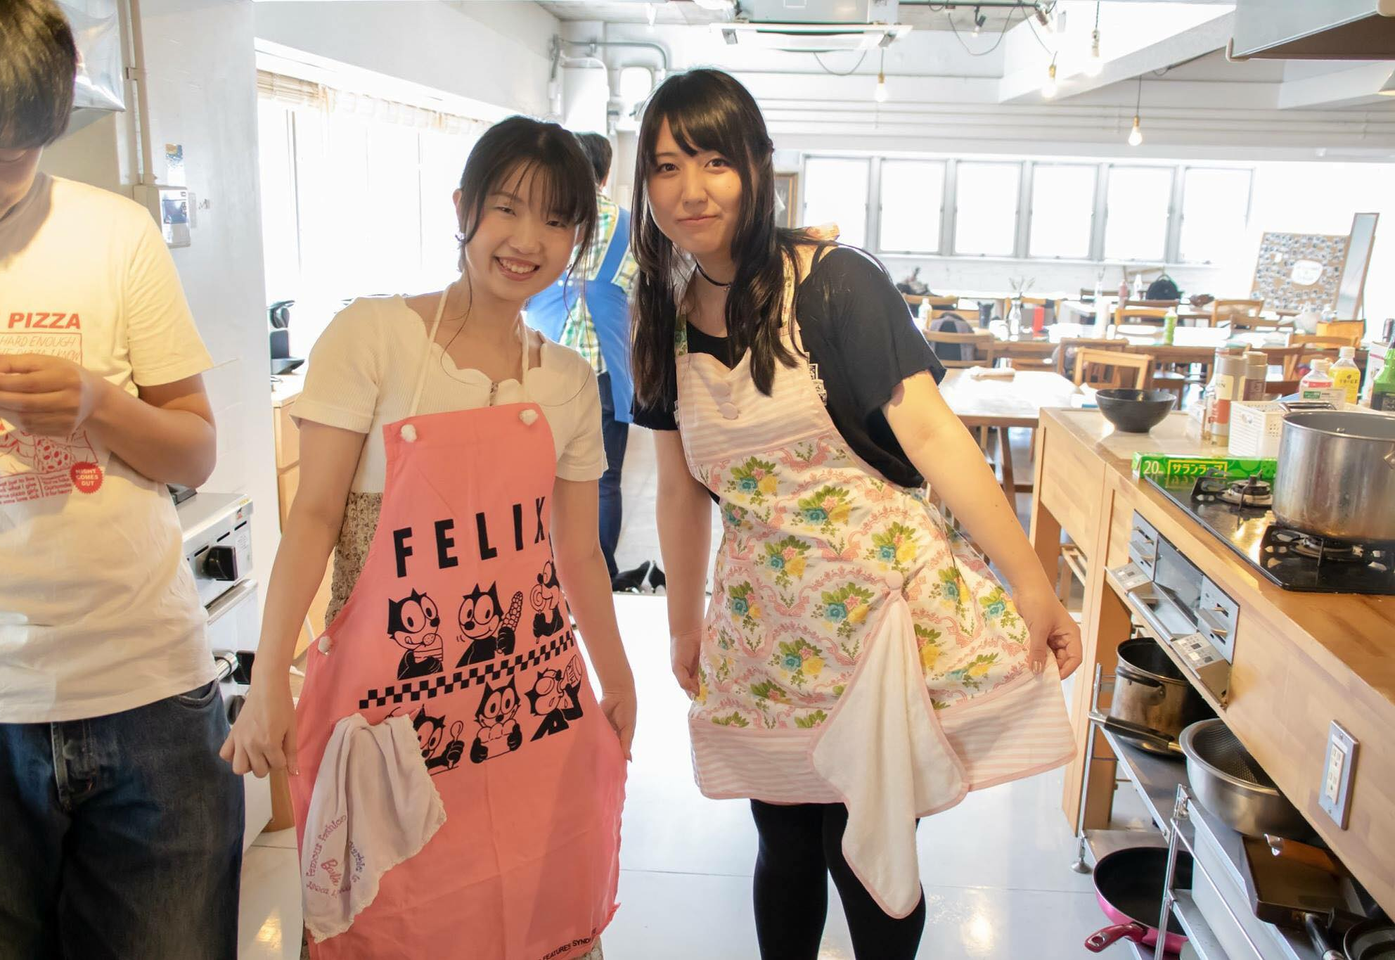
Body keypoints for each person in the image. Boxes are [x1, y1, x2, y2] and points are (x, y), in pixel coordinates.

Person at [629, 69, 1082, 960]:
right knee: (783, 843)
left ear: (758, 166)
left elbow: (936, 437)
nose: (690, 189)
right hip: (764, 624)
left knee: (867, 844)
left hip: (876, 618)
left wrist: (1032, 583)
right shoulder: (664, 317)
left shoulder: (836, 283)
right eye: (666, 166)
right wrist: (685, 623)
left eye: (715, 161)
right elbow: (679, 490)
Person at [222, 116, 633, 960]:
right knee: (398, 922)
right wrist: (268, 682)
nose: (528, 240)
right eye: (507, 208)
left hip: (530, 710)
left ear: (579, 241)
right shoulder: (374, 338)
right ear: (462, 207)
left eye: (557, 220)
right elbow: (315, 517)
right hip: (392, 719)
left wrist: (618, 673)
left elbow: (577, 552)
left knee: (536, 912)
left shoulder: (565, 381)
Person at [0, 2, 240, 957]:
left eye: (8, 154)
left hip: (146, 687)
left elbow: (194, 452)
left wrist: (95, 403)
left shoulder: (115, 234)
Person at [524, 131, 657, 593]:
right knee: (604, 480)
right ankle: (600, 576)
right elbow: (643, 300)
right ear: (606, 172)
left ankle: (542, 575)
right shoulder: (633, 227)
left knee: (536, 479)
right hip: (605, 370)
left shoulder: (544, 221)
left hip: (540, 367)